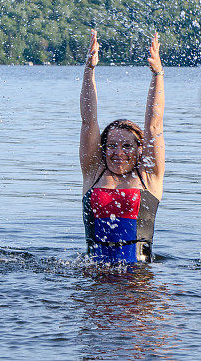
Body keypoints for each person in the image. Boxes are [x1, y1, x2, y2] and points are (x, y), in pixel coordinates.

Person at [80, 30, 165, 263]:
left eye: (127, 146)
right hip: (93, 278)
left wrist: (158, 73)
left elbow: (154, 127)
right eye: (112, 145)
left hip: (138, 279)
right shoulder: (94, 172)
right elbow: (89, 121)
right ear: (103, 148)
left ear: (140, 149)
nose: (118, 152)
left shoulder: (148, 176)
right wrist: (89, 70)